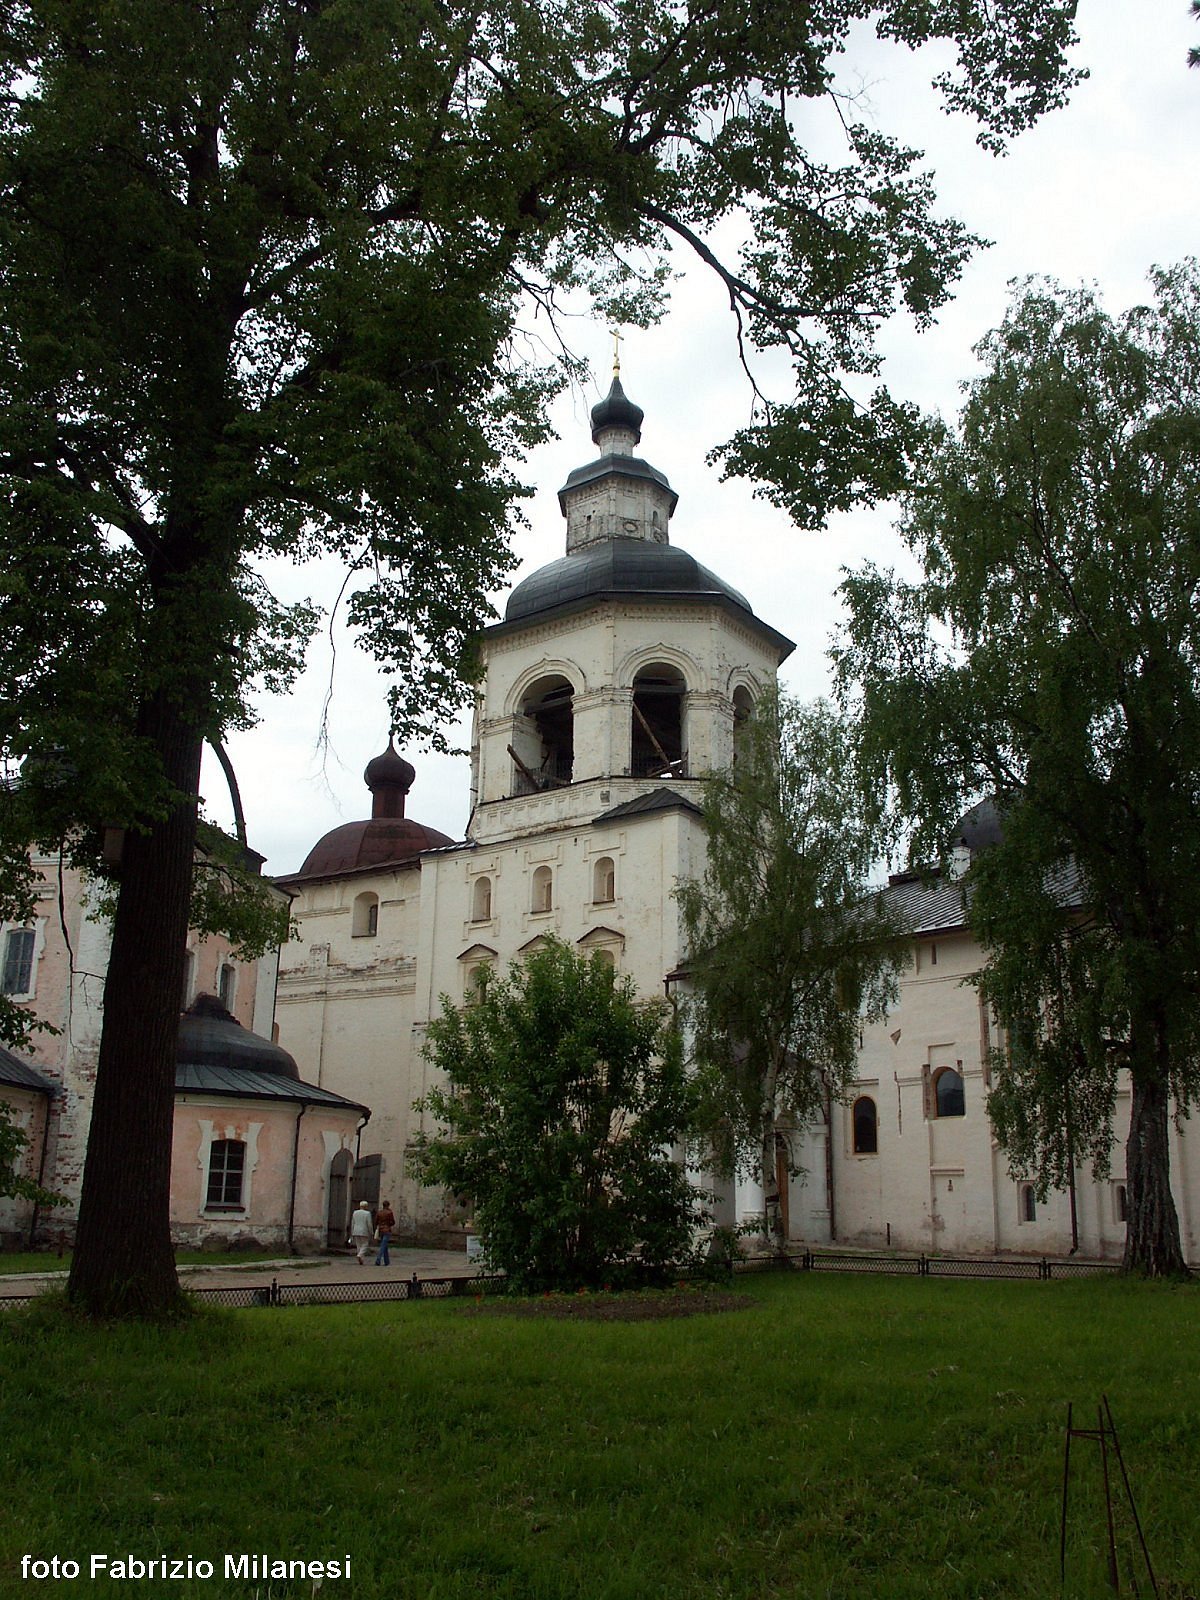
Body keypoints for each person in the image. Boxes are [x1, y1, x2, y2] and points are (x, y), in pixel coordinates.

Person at [349, 1199, 373, 1265]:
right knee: (365, 1244)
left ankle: (361, 1259)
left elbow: (353, 1223)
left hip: (356, 1230)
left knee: (358, 1245)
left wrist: (352, 1231)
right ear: (365, 1206)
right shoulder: (367, 1213)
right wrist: (371, 1232)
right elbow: (369, 1224)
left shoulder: (355, 1212)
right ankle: (360, 1255)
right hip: (364, 1231)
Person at [374, 1199, 397, 1267]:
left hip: (381, 1230)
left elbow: (376, 1222)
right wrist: (389, 1224)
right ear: (388, 1205)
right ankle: (378, 1260)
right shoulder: (389, 1212)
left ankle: (387, 1261)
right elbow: (392, 1222)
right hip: (387, 1230)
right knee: (383, 1246)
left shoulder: (379, 1212)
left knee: (385, 1245)